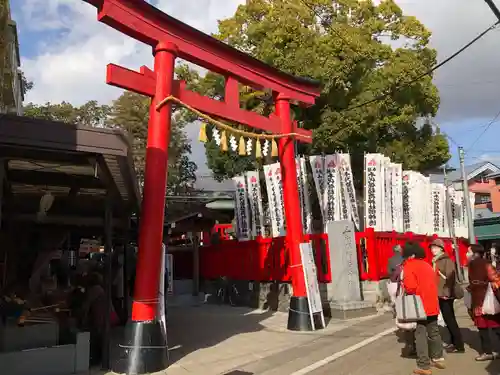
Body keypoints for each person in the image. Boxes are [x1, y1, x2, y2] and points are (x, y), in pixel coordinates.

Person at [402, 241, 445, 375]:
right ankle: (438, 358)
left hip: (420, 304)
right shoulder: (427, 264)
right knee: (434, 331)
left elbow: (410, 287)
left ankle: (424, 365)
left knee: (420, 333)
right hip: (432, 302)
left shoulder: (409, 266)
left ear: (410, 255)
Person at [430, 239, 464, 353]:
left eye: (435, 247)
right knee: (447, 319)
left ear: (441, 249)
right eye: (432, 248)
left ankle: (459, 345)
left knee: (450, 319)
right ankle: (454, 342)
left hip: (445, 294)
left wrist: (446, 292)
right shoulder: (436, 260)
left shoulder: (445, 260)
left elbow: (450, 277)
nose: (433, 250)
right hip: (440, 293)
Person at [467, 243, 500, 361]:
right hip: (485, 299)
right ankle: (489, 352)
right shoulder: (484, 264)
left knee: (484, 328)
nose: (467, 254)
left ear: (475, 253)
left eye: (469, 252)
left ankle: (487, 352)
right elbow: (496, 280)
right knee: (494, 326)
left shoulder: (479, 265)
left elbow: (495, 280)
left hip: (483, 300)